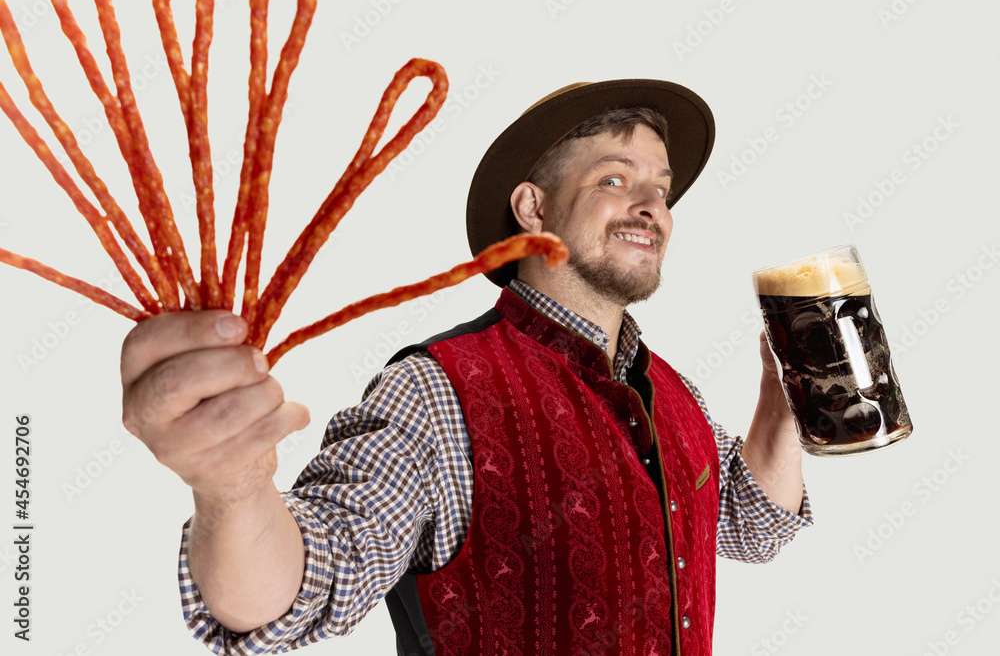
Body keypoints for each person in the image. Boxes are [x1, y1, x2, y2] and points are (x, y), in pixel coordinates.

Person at [121, 79, 812, 656]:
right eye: (614, 178)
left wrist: (781, 405)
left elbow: (750, 524)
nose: (651, 206)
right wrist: (235, 487)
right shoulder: (437, 391)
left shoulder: (672, 391)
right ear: (532, 207)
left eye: (661, 188)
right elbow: (298, 587)